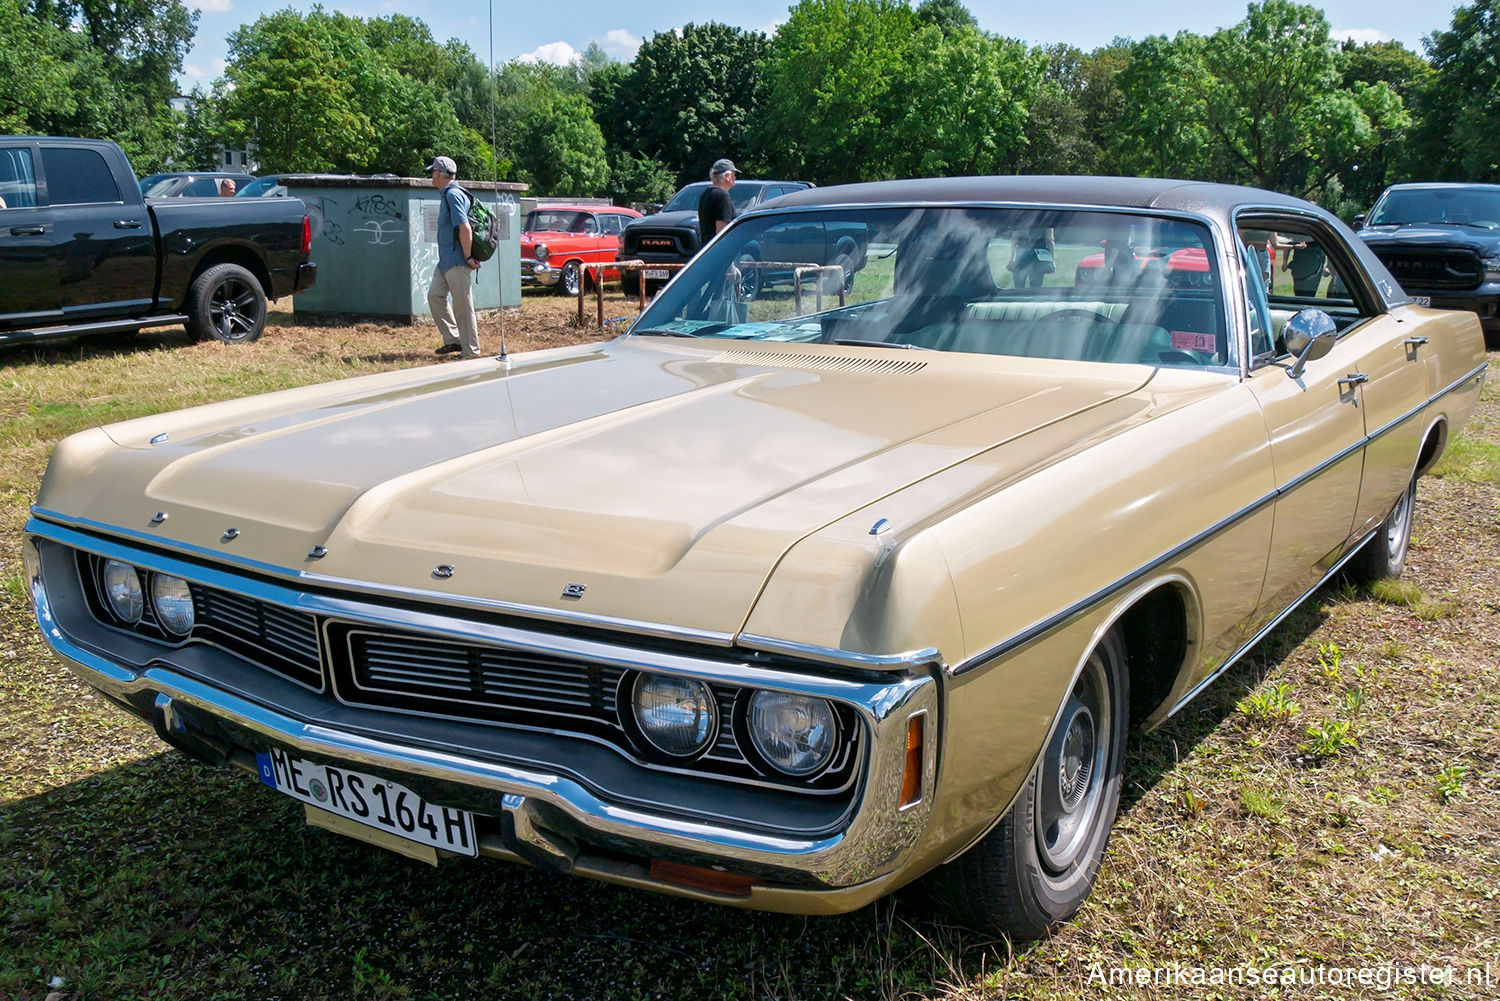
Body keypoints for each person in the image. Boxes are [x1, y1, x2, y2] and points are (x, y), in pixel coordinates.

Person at [425, 155, 482, 359]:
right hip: (446, 262)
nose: (431, 175)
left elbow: (464, 227)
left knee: (463, 307)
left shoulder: (453, 195)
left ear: (439, 173)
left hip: (458, 261)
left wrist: (467, 257)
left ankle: (471, 350)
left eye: (432, 172)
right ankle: (453, 340)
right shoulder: (447, 194)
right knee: (435, 296)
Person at [697, 158, 736, 247]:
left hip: (706, 249)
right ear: (728, 176)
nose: (735, 177)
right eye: (734, 174)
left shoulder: (706, 194)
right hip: (720, 250)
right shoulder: (722, 196)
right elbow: (721, 230)